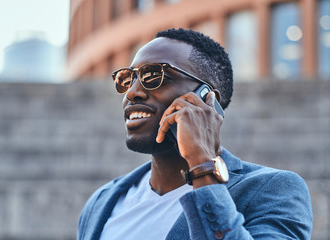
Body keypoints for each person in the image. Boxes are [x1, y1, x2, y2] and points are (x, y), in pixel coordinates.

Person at [77, 28, 313, 240]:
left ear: (207, 100)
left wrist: (202, 164)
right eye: (128, 80)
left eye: (154, 76)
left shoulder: (273, 189)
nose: (132, 93)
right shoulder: (102, 201)